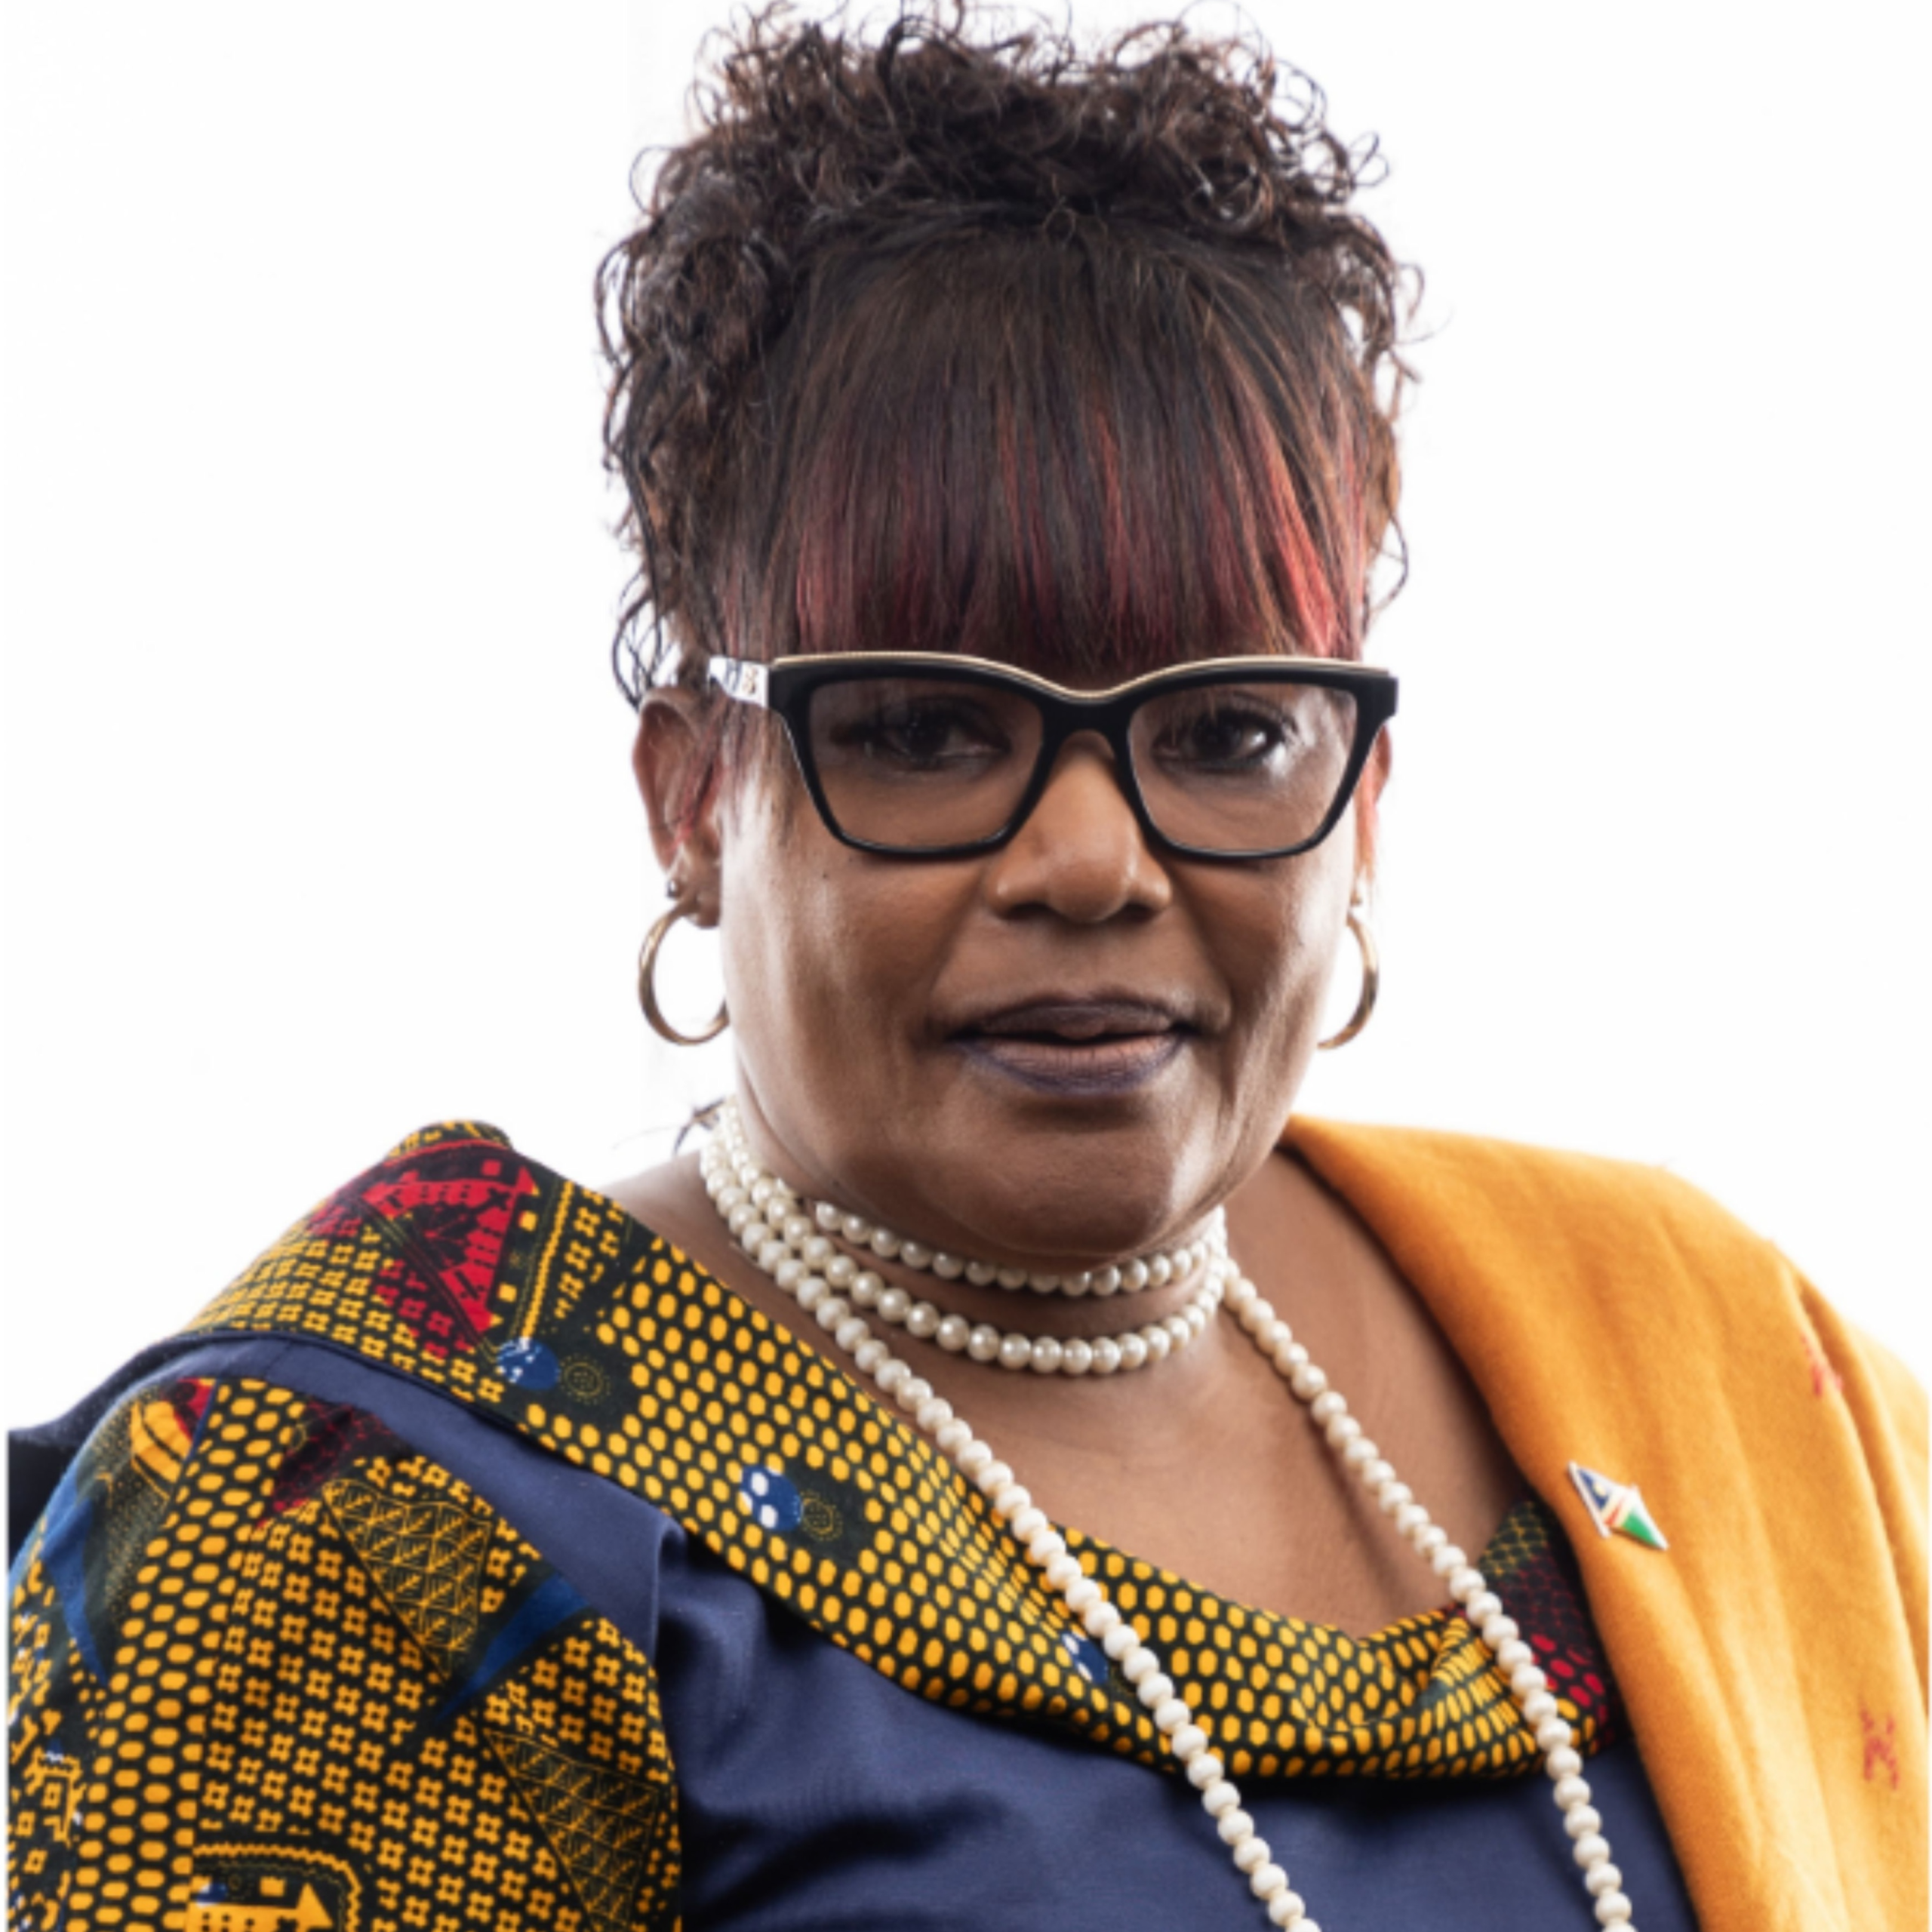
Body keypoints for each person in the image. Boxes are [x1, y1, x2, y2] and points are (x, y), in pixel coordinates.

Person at [7, 11, 1923, 1932]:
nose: (1091, 861)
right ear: (693, 795)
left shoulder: (1715, 1369)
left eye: (1225, 733)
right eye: (925, 730)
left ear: (1361, 799)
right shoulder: (343, 1513)